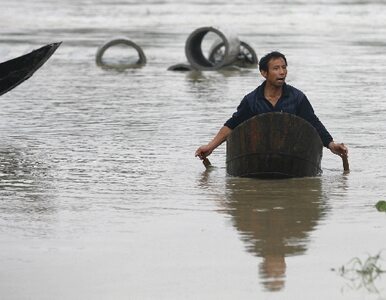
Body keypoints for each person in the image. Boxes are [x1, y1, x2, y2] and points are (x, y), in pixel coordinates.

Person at [195, 51, 348, 161]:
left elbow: (314, 124)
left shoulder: (297, 98)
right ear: (264, 73)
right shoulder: (251, 100)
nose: (282, 72)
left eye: (284, 67)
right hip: (259, 155)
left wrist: (332, 145)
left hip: (292, 155)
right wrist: (210, 147)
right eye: (276, 68)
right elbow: (232, 126)